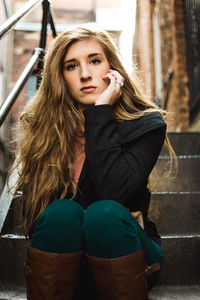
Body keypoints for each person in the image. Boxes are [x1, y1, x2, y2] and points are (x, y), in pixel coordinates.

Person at [9, 26, 174, 300]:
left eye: (95, 61)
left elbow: (115, 194)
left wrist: (100, 112)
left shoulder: (146, 125)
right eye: (71, 66)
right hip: (69, 264)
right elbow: (41, 221)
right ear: (60, 77)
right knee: (60, 213)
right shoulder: (46, 132)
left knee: (105, 214)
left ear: (112, 67)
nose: (85, 74)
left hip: (127, 255)